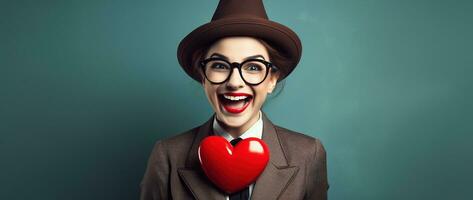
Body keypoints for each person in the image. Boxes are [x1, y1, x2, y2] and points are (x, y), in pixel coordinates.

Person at [140, 0, 329, 199]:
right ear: (203, 76)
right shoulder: (167, 156)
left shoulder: (309, 154)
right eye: (220, 65)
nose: (234, 82)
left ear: (272, 79)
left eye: (253, 67)